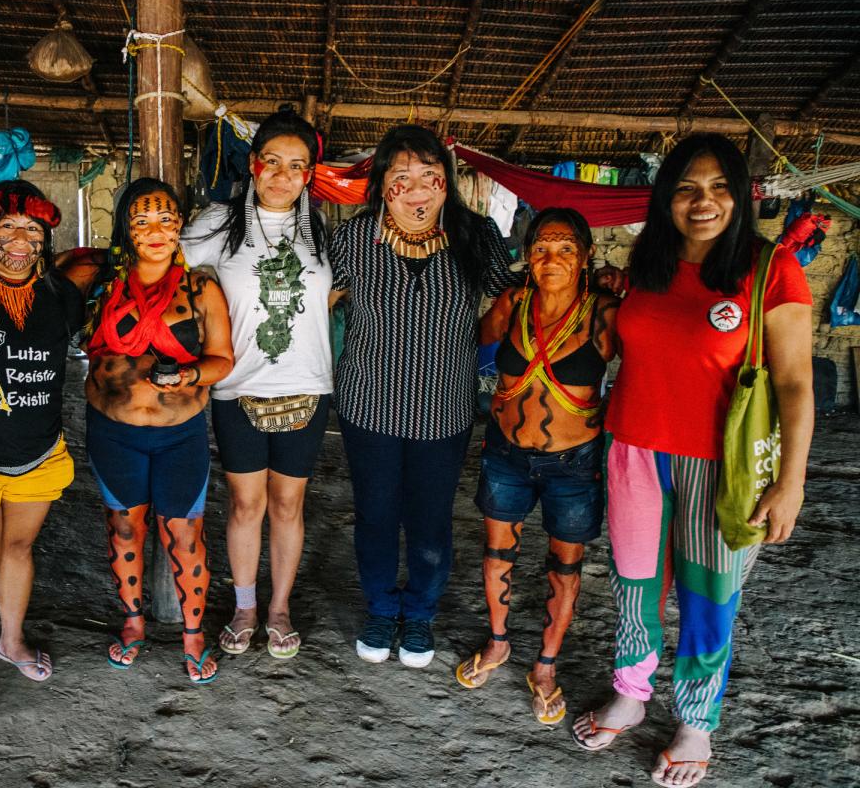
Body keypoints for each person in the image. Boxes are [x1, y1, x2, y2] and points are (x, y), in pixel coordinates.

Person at [571, 134, 813, 788]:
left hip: (723, 467)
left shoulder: (770, 270)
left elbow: (794, 384)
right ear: (665, 197)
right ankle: (630, 691)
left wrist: (790, 484)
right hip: (635, 453)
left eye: (718, 187)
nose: (702, 202)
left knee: (710, 600)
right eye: (685, 187)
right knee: (636, 588)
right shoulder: (646, 265)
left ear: (740, 195)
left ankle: (696, 722)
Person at [329, 124, 515, 668]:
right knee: (376, 514)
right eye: (401, 177)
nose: (416, 190)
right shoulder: (355, 239)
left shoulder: (476, 236)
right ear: (382, 183)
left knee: (431, 520)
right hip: (369, 406)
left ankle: (421, 614)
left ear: (446, 182)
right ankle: (382, 608)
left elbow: (513, 305)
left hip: (444, 410)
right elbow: (320, 305)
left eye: (428, 177)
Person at [456, 208, 618, 726]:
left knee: (564, 567)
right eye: (542, 248)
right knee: (498, 553)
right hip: (507, 453)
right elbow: (465, 343)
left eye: (566, 248)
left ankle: (545, 666)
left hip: (574, 462)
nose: (552, 259)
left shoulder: (604, 313)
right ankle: (499, 642)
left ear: (586, 257)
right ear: (527, 256)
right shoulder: (514, 303)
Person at [183, 107, 332, 660]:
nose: (283, 175)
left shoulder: (322, 233)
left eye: (296, 166)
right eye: (273, 162)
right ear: (254, 164)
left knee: (289, 506)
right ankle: (245, 605)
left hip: (307, 387)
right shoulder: (217, 225)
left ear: (308, 175)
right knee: (246, 505)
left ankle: (278, 609)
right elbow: (164, 269)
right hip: (238, 388)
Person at [84, 178, 234, 684]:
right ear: (126, 228)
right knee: (124, 529)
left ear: (180, 227)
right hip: (114, 431)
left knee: (185, 535)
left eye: (166, 220)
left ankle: (193, 636)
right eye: (142, 221)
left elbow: (222, 360)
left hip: (179, 433)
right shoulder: (101, 282)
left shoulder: (202, 288)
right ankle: (133, 624)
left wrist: (189, 374)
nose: (155, 231)